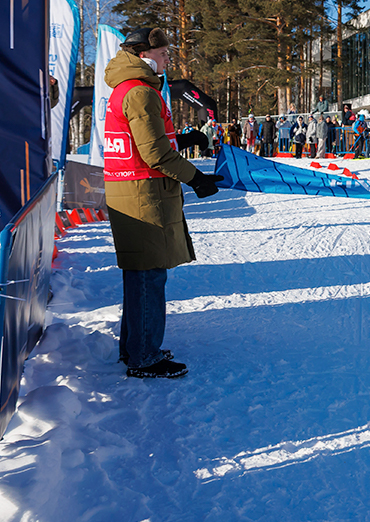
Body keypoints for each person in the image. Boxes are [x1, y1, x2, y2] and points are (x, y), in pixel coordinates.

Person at [103, 26, 222, 378]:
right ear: (144, 54)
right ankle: (144, 356)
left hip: (135, 190)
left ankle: (135, 348)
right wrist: (196, 178)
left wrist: (184, 138)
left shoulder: (128, 88)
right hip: (143, 193)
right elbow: (153, 152)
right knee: (148, 278)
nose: (169, 58)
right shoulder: (140, 92)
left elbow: (149, 140)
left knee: (140, 275)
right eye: (164, 53)